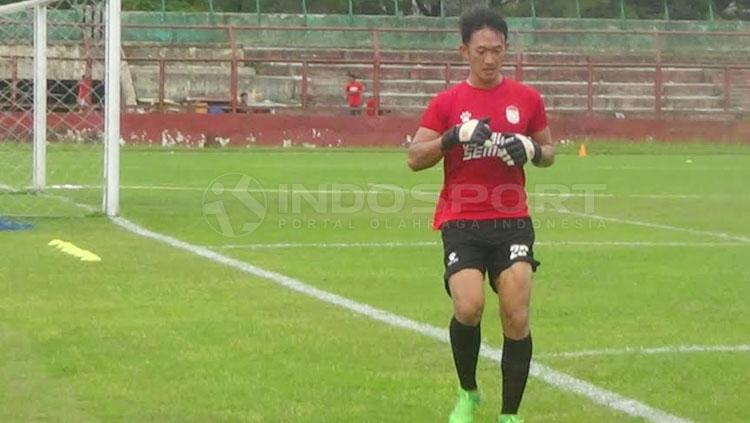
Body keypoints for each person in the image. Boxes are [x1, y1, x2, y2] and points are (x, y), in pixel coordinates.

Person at [406, 7, 555, 423]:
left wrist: (531, 150)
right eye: (481, 51)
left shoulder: (528, 99)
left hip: (512, 219)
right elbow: (414, 158)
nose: (490, 59)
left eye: (497, 50)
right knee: (469, 307)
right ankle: (468, 393)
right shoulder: (447, 102)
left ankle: (510, 415)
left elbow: (549, 153)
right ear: (464, 51)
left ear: (507, 49)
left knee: (516, 310)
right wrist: (453, 137)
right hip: (461, 218)